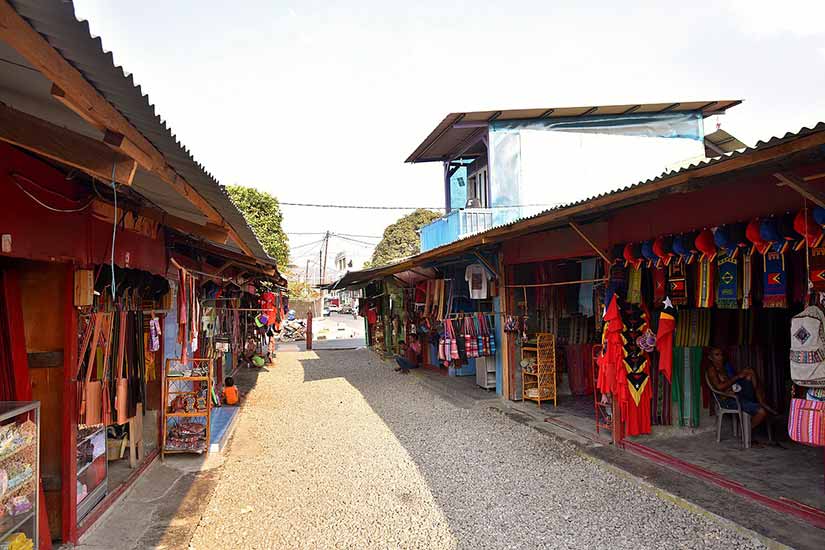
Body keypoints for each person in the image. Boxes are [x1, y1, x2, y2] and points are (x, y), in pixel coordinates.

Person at [706, 347, 776, 432]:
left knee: (750, 371)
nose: (721, 357)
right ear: (710, 357)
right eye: (717, 355)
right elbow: (719, 387)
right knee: (762, 412)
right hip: (729, 400)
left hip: (737, 394)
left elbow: (733, 383)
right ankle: (743, 431)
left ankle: (761, 401)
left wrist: (740, 377)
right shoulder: (712, 370)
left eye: (721, 354)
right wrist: (737, 377)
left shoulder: (725, 366)